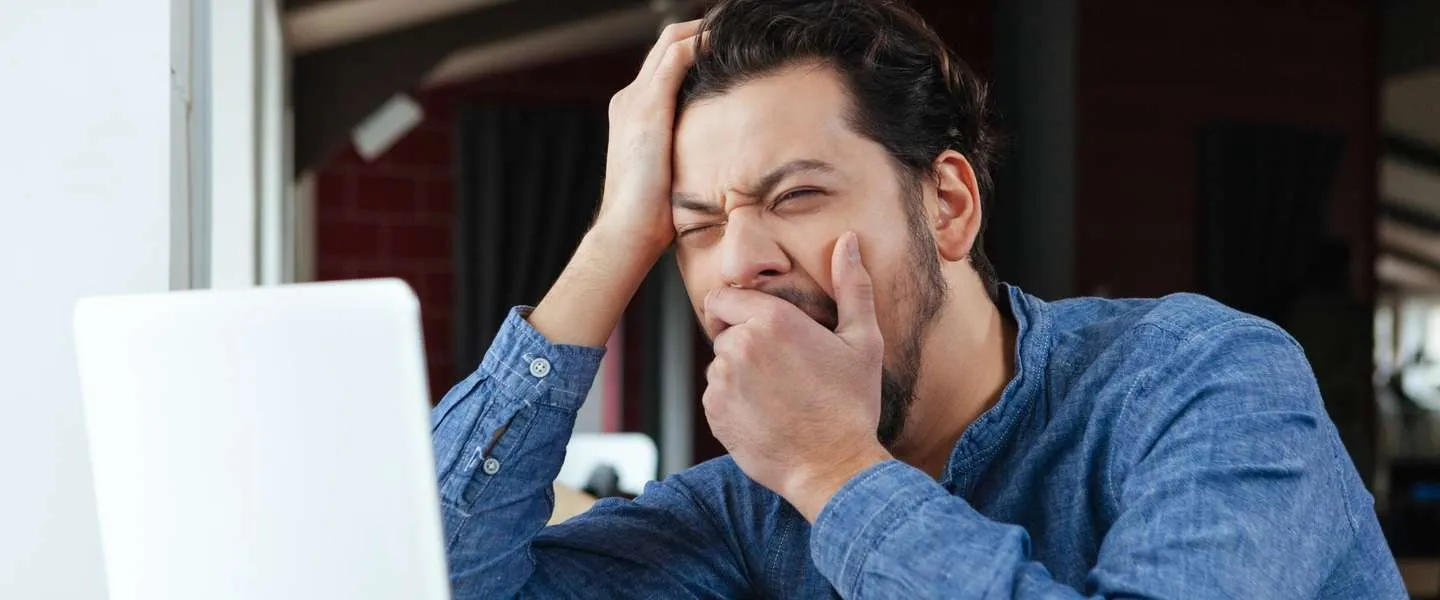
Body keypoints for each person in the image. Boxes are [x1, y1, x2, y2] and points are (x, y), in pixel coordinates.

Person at [429, 0, 1405, 597]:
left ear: (946, 206)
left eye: (796, 195)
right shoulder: (742, 509)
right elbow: (424, 581)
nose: (739, 264)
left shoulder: (1204, 378)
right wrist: (612, 239)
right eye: (694, 227)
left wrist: (837, 475)